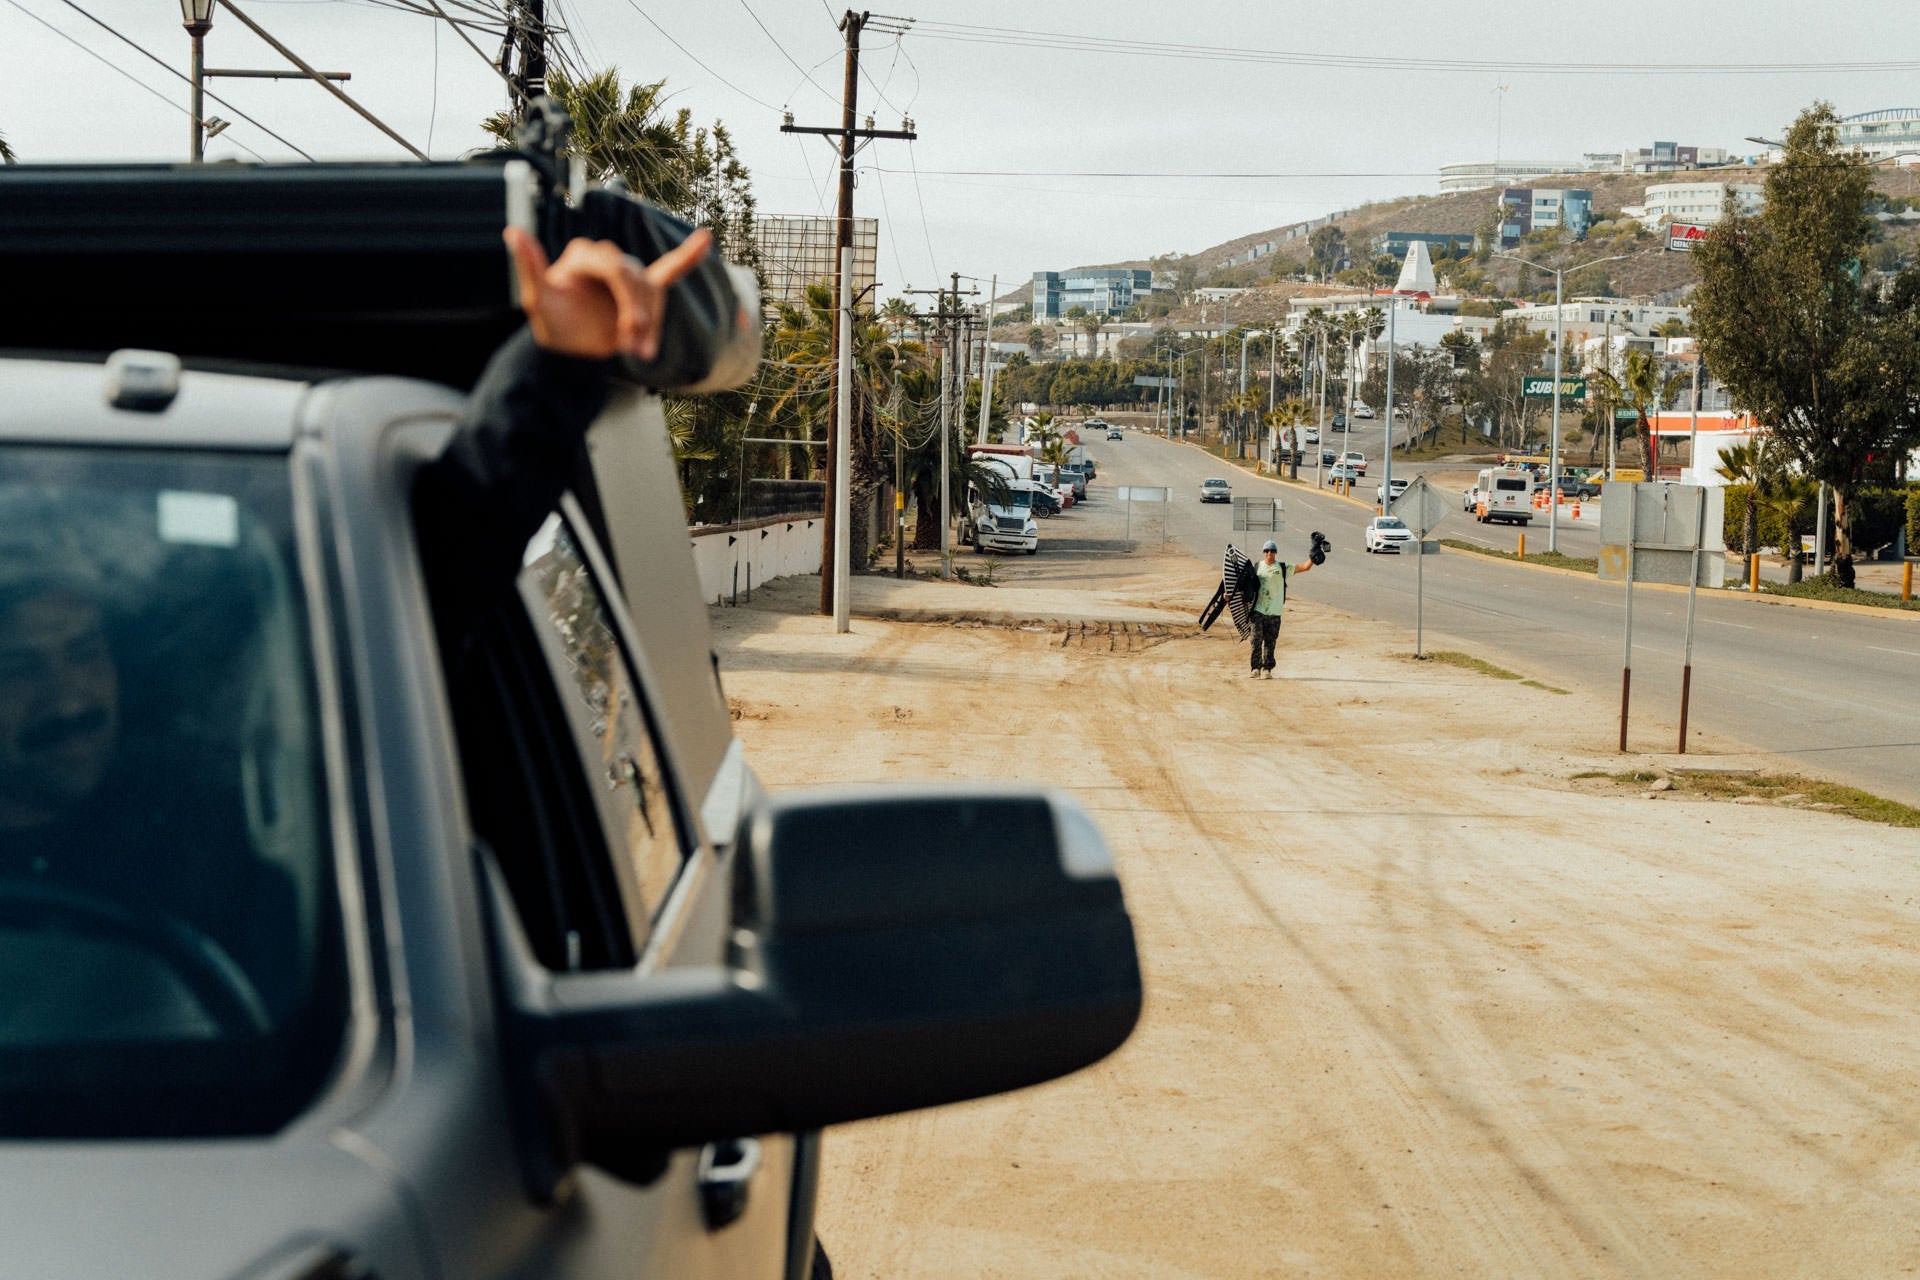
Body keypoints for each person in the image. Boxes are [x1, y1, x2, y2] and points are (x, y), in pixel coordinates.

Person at [1246, 538, 1312, 678]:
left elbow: (1305, 567)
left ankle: (1267, 669)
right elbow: (1243, 585)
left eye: (1272, 551)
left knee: (1270, 641)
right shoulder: (1257, 567)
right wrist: (1228, 595)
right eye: (1267, 551)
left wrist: (1313, 555)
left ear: (1276, 553)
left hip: (1274, 611)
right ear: (1264, 552)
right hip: (1258, 609)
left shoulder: (1282, 568)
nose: (1269, 553)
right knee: (1255, 640)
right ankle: (1255, 668)